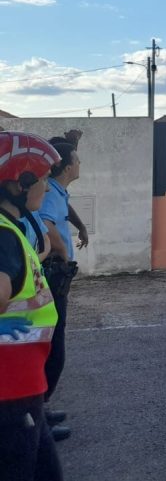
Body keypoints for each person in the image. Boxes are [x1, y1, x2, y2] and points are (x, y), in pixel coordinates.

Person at [0, 131, 63, 481]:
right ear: (17, 185)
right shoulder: (4, 236)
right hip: (10, 392)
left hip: (23, 386)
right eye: (41, 180)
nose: (47, 188)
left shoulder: (10, 228)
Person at [38, 140, 83, 442]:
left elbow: (62, 209)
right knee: (53, 348)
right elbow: (47, 224)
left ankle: (41, 408)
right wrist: (64, 254)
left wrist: (81, 226)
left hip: (56, 275)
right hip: (54, 275)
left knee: (53, 345)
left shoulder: (55, 190)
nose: (80, 164)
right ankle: (38, 416)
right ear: (67, 166)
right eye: (77, 160)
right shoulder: (49, 191)